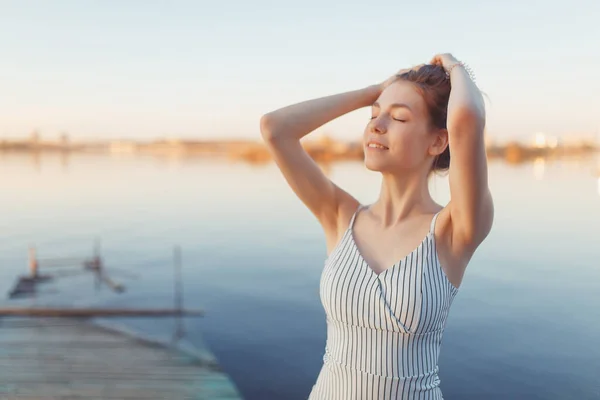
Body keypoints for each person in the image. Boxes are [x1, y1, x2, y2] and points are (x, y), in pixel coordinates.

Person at [259, 53, 494, 399]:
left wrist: (454, 66)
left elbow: (467, 118)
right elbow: (275, 129)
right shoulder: (339, 215)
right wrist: (374, 91)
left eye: (398, 117)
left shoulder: (454, 230)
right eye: (373, 115)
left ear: (438, 141)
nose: (376, 125)